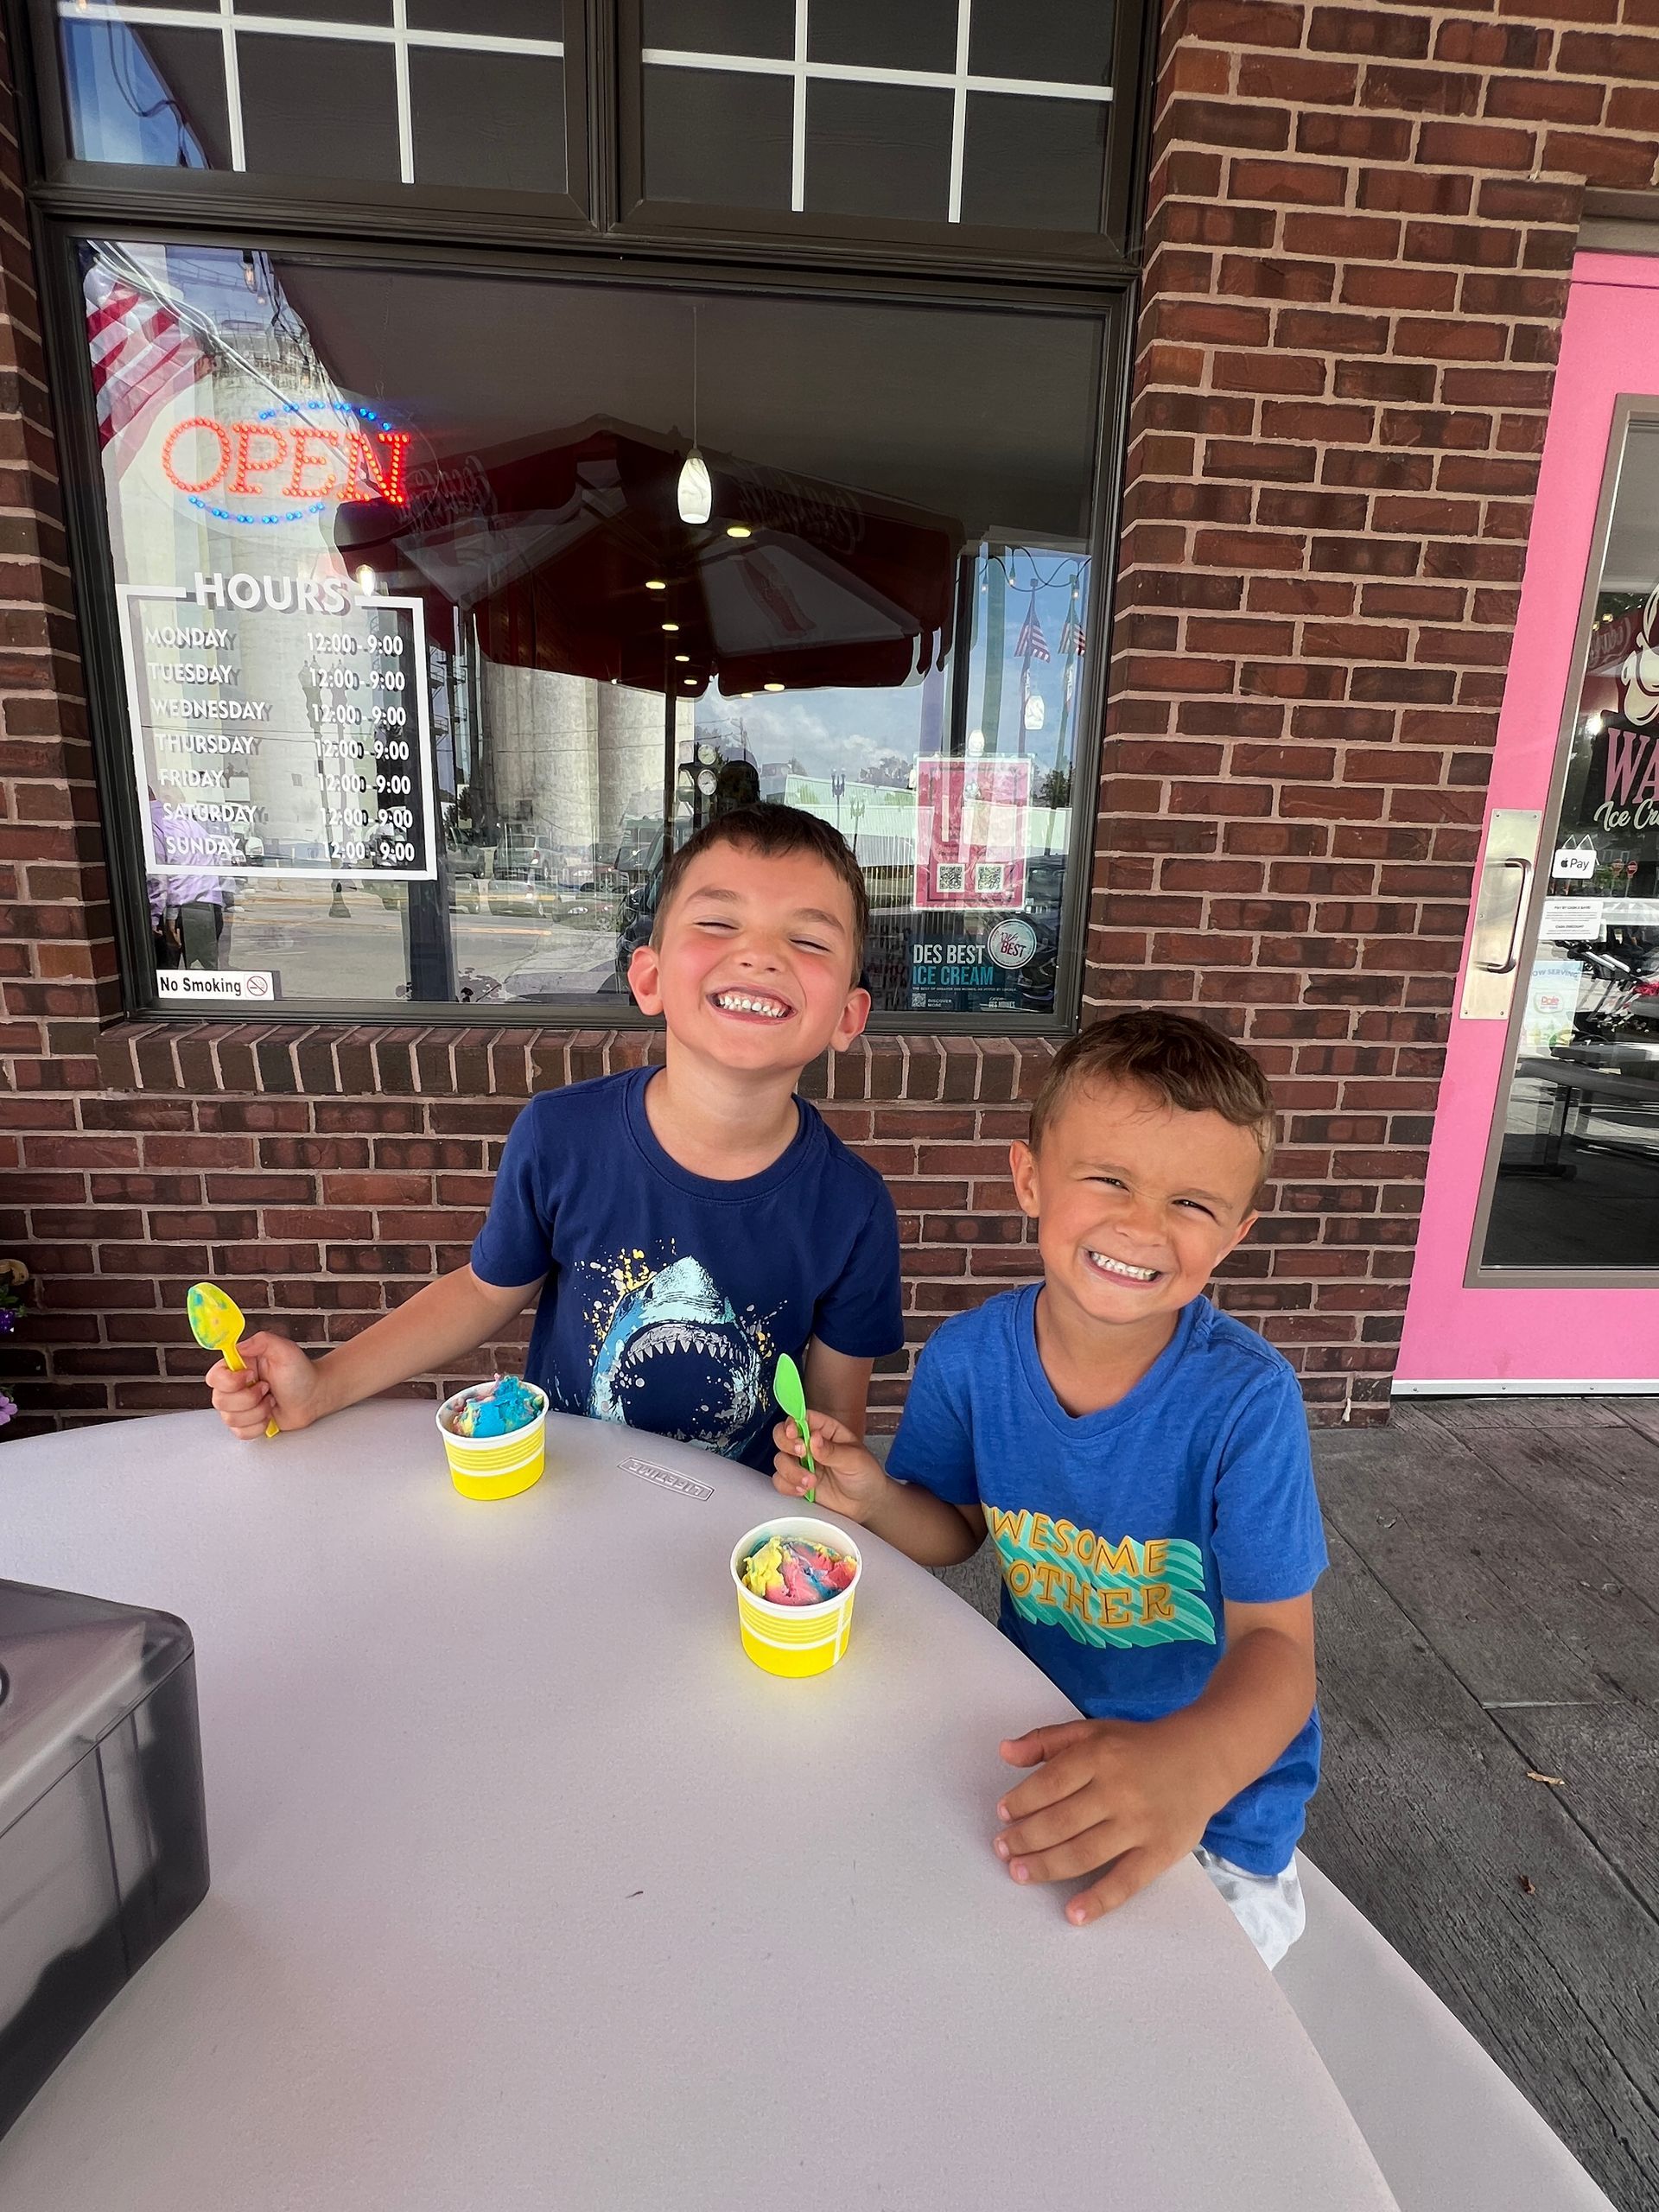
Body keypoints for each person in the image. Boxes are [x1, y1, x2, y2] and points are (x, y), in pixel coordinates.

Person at [772, 1010, 1325, 1967]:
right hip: (1037, 1737)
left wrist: (1189, 1770)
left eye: (1191, 1203)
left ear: (1235, 1234)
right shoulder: (969, 1359)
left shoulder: (1247, 1401)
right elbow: (955, 1530)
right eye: (1109, 1178)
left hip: (1218, 1805)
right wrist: (872, 1500)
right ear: (1030, 1179)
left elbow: (1278, 1650)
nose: (1142, 1225)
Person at [206, 803, 903, 1472]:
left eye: (808, 940)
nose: (759, 955)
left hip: (739, 1529)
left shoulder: (855, 1208)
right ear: (650, 978)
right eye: (720, 923)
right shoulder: (560, 1136)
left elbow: (830, 1423)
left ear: (848, 1015)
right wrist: (323, 1385)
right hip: (562, 1491)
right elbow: (484, 1294)